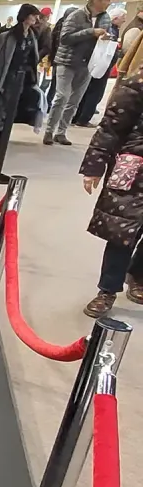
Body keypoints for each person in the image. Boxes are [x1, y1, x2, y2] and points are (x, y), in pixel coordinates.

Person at [78, 71, 143, 317]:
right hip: (134, 167)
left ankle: (137, 274)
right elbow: (110, 128)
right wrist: (94, 166)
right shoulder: (138, 83)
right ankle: (107, 290)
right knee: (122, 232)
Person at [0, 3, 41, 184]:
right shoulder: (7, 36)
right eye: (33, 15)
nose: (36, 19)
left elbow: (33, 57)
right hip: (6, 77)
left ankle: (2, 133)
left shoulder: (32, 36)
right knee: (1, 105)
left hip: (23, 78)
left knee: (13, 107)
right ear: (26, 16)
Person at [45, 0, 113, 146]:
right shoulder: (76, 15)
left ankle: (61, 132)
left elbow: (105, 36)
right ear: (96, 0)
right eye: (107, 0)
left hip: (89, 64)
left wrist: (106, 38)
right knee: (62, 97)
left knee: (74, 101)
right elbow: (65, 38)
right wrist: (90, 32)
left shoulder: (105, 18)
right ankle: (49, 130)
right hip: (67, 62)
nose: (109, 3)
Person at [73, 9, 126, 128]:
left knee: (87, 90)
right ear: (115, 18)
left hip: (97, 64)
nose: (124, 21)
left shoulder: (110, 29)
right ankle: (83, 118)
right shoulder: (110, 31)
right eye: (123, 18)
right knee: (94, 92)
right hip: (101, 65)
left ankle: (77, 117)